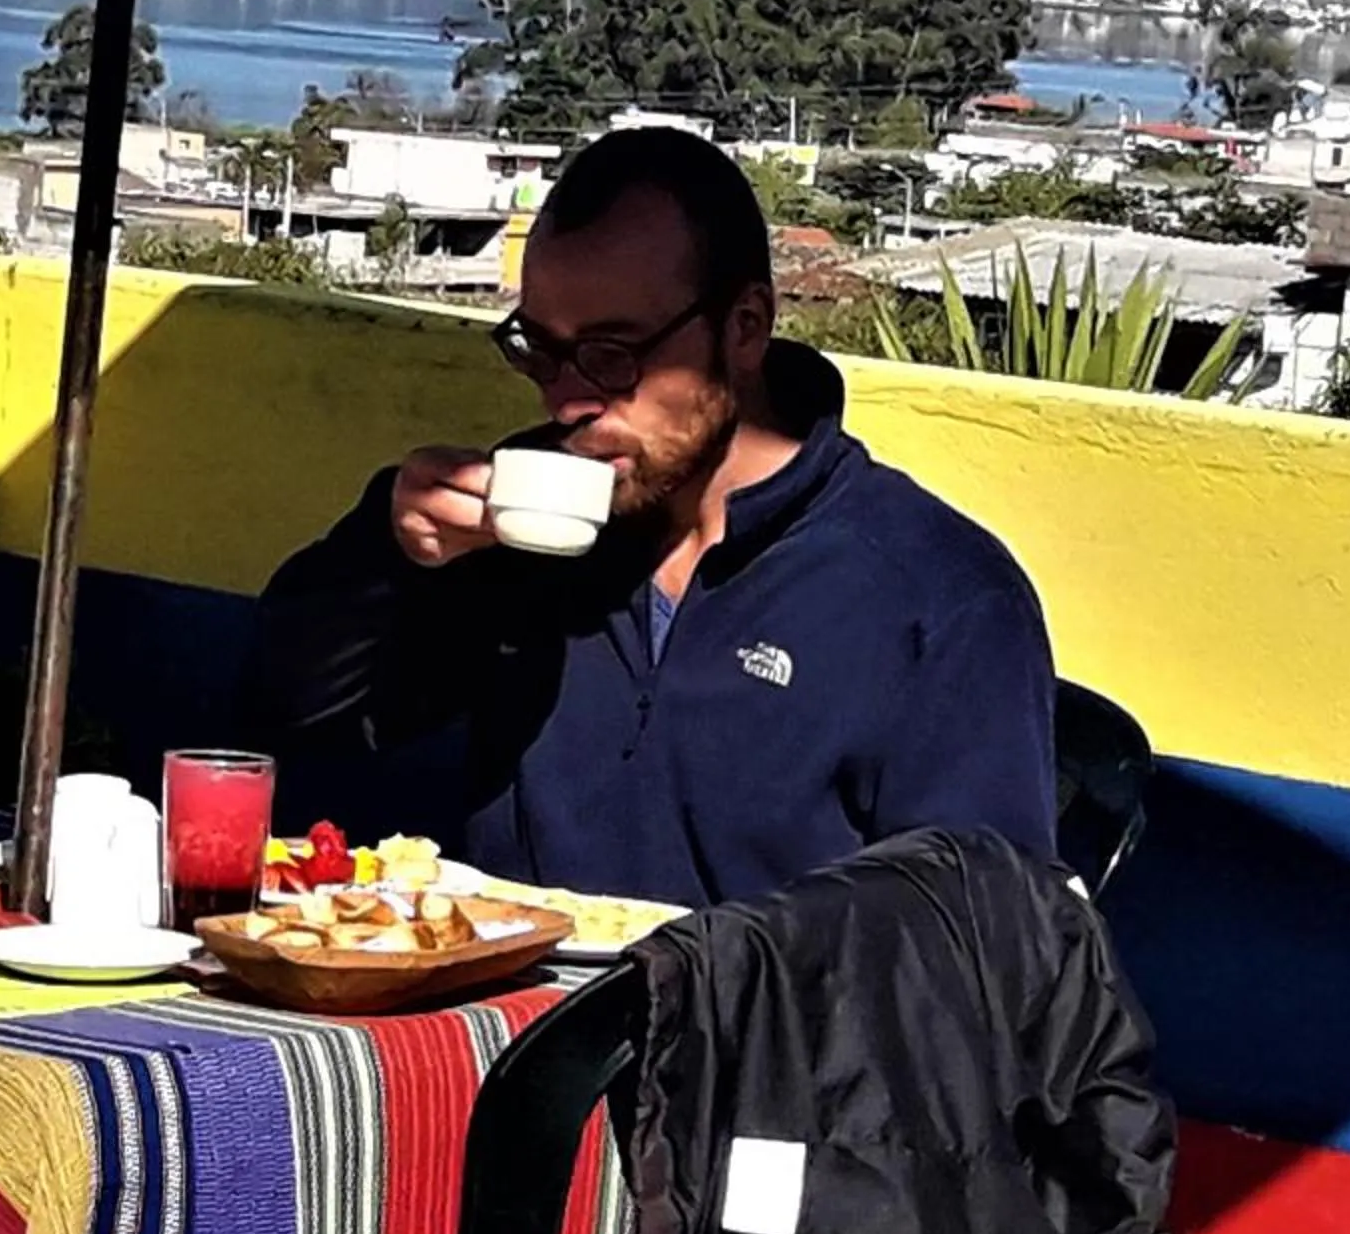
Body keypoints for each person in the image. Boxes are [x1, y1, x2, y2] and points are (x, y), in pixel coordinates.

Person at [247, 126, 1057, 910]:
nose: (569, 397)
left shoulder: (934, 595)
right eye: (540, 348)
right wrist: (392, 551)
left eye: (612, 354)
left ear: (745, 327)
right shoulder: (524, 528)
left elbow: (977, 943)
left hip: (768, 1042)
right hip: (507, 1027)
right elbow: (289, 713)